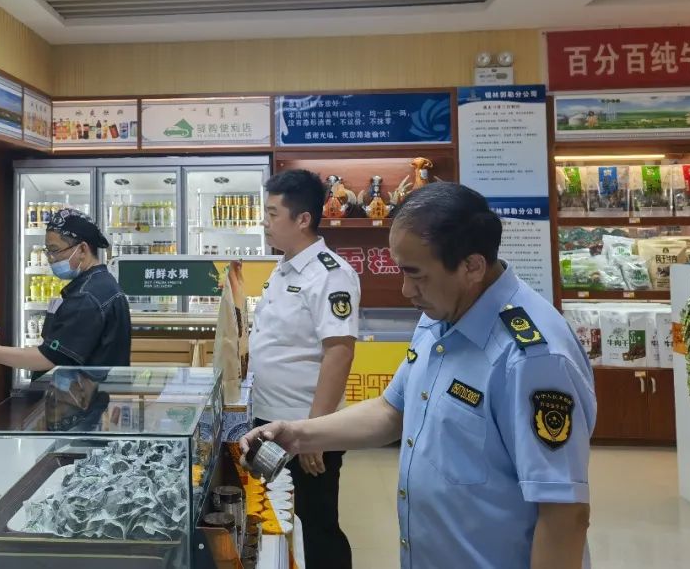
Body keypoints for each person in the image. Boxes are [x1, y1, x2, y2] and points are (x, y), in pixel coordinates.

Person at [242, 182, 596, 569]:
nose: (405, 289)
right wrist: (297, 435)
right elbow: (391, 411)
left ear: (472, 266)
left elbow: (564, 515)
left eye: (417, 275)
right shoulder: (440, 314)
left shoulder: (532, 357)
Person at [249, 169, 359, 569]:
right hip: (270, 422)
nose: (265, 221)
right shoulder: (284, 267)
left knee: (317, 524)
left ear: (303, 219)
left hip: (305, 428)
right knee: (278, 515)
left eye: (273, 213)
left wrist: (314, 433)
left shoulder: (330, 275)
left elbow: (339, 353)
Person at [0, 208, 131, 375]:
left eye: (55, 250)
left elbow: (49, 358)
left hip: (86, 396)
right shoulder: (102, 284)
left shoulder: (87, 296)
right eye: (47, 251)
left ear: (82, 249)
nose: (50, 258)